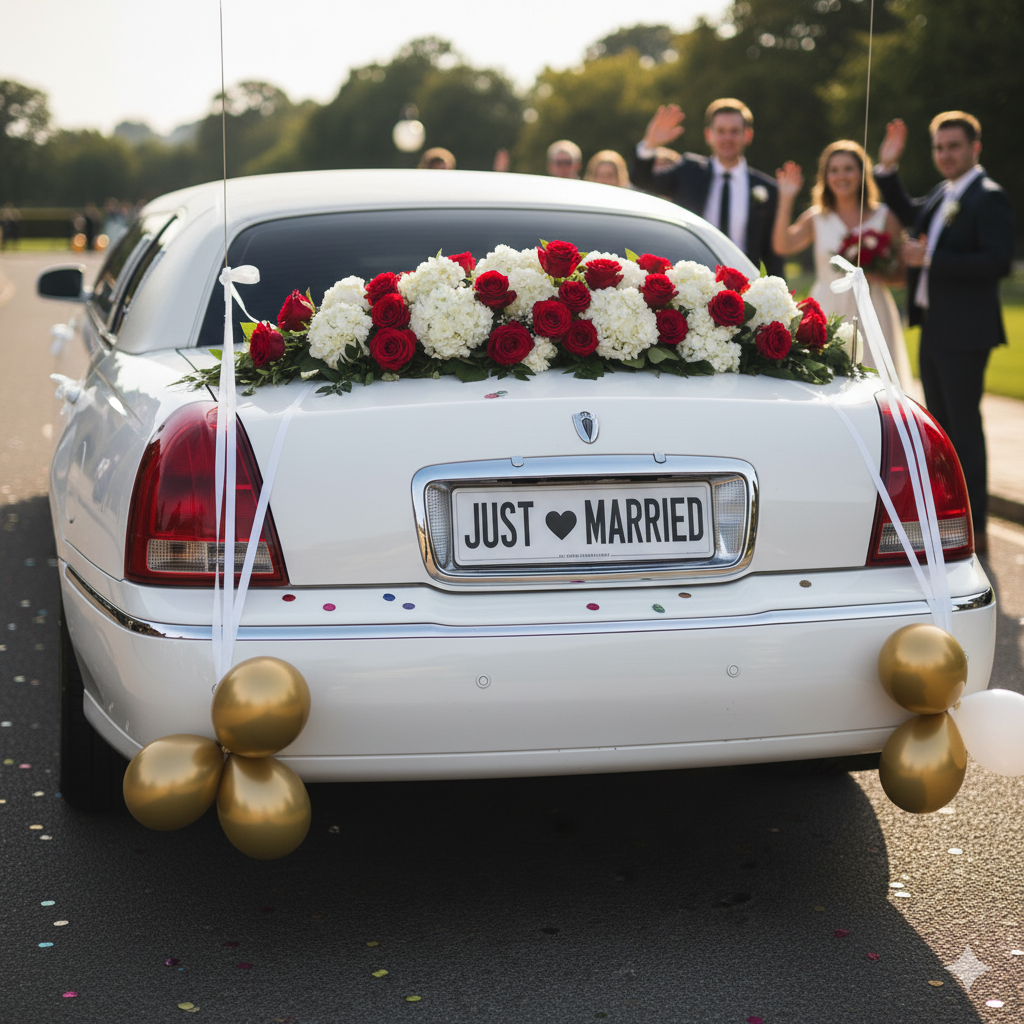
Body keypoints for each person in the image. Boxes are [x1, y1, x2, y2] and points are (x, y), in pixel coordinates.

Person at [872, 112, 1013, 554]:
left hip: (966, 331)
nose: (945, 154)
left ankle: (979, 528)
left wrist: (930, 258)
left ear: (975, 148)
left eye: (954, 146)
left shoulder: (988, 197)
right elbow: (910, 212)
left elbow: (997, 262)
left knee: (964, 429)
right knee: (944, 430)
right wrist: (887, 172)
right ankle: (953, 523)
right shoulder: (944, 193)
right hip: (933, 327)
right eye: (938, 147)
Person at [772, 140, 912, 387]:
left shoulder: (884, 216)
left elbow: (903, 274)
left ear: (862, 173)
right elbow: (783, 245)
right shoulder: (817, 217)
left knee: (876, 383)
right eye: (834, 170)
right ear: (825, 176)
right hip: (828, 306)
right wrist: (786, 198)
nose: (841, 176)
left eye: (848, 168)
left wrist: (878, 276)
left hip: (873, 308)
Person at [631, 99, 781, 274]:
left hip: (746, 285)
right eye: (720, 131)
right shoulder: (688, 171)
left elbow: (773, 254)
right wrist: (650, 144)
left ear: (747, 135)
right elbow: (641, 179)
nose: (727, 138)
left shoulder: (768, 189)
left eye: (734, 131)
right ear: (708, 134)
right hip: (694, 283)